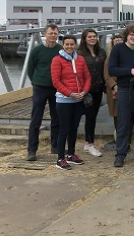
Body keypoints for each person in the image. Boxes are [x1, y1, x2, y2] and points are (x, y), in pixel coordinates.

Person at [107, 23, 134, 167]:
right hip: (125, 89)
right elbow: (112, 70)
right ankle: (120, 154)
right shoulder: (118, 49)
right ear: (127, 35)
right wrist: (130, 71)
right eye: (131, 34)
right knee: (123, 123)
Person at [51, 35, 91, 170]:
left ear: (75, 45)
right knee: (64, 129)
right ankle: (60, 158)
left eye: (72, 44)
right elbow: (56, 81)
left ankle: (71, 154)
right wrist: (69, 93)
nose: (69, 47)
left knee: (74, 128)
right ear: (63, 45)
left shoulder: (80, 59)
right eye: (67, 44)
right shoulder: (57, 60)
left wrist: (84, 92)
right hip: (64, 100)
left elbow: (87, 77)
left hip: (78, 99)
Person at [26, 24, 62, 161]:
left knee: (56, 118)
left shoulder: (60, 50)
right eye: (50, 33)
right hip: (40, 87)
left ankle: (55, 145)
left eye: (55, 34)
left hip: (56, 88)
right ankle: (32, 150)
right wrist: (35, 81)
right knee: (36, 119)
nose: (53, 36)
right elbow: (31, 68)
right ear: (45, 34)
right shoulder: (37, 50)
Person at [78, 29, 107, 157]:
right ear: (84, 38)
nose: (92, 38)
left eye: (94, 36)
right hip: (86, 90)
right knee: (89, 116)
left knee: (93, 116)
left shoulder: (101, 52)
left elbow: (105, 69)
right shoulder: (79, 53)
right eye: (89, 36)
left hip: (98, 88)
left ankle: (88, 142)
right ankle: (89, 144)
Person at [104, 33, 123, 142]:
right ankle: (119, 139)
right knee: (116, 114)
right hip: (114, 89)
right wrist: (114, 85)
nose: (118, 43)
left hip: (126, 86)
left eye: (120, 40)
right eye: (116, 41)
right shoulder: (110, 57)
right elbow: (107, 74)